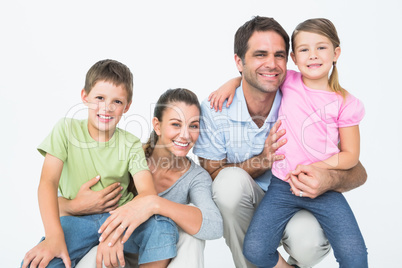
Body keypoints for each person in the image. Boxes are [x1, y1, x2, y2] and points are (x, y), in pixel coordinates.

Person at [193, 16, 368, 268]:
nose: (271, 65)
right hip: (279, 188)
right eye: (304, 50)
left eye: (279, 55)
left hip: (317, 189)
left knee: (351, 253)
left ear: (335, 53)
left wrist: (324, 174)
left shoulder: (336, 100)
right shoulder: (290, 84)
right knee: (250, 238)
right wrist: (232, 82)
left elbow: (354, 162)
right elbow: (211, 173)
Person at [21, 59, 178, 268]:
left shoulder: (130, 143)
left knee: (163, 227)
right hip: (77, 220)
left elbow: (147, 194)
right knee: (34, 263)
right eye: (100, 98)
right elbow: (47, 182)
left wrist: (114, 231)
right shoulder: (66, 129)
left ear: (127, 107)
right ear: (85, 96)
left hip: (120, 217)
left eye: (117, 102)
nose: (107, 108)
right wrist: (53, 236)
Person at [66, 88, 223, 268]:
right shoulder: (130, 153)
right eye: (176, 124)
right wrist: (77, 206)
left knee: (192, 239)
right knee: (96, 253)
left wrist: (154, 204)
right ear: (157, 125)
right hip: (115, 254)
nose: (185, 135)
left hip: (159, 258)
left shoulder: (196, 177)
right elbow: (61, 206)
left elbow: (214, 226)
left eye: (193, 126)